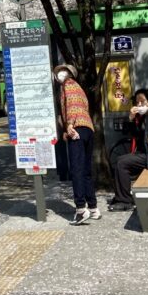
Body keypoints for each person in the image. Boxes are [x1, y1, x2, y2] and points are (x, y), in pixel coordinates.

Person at [54, 64, 99, 225]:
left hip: (77, 129)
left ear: (68, 75)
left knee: (77, 170)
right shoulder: (79, 87)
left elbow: (71, 106)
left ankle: (81, 209)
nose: (59, 75)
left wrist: (70, 125)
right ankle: (93, 207)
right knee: (86, 170)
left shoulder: (68, 85)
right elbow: (83, 107)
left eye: (61, 72)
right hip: (88, 129)